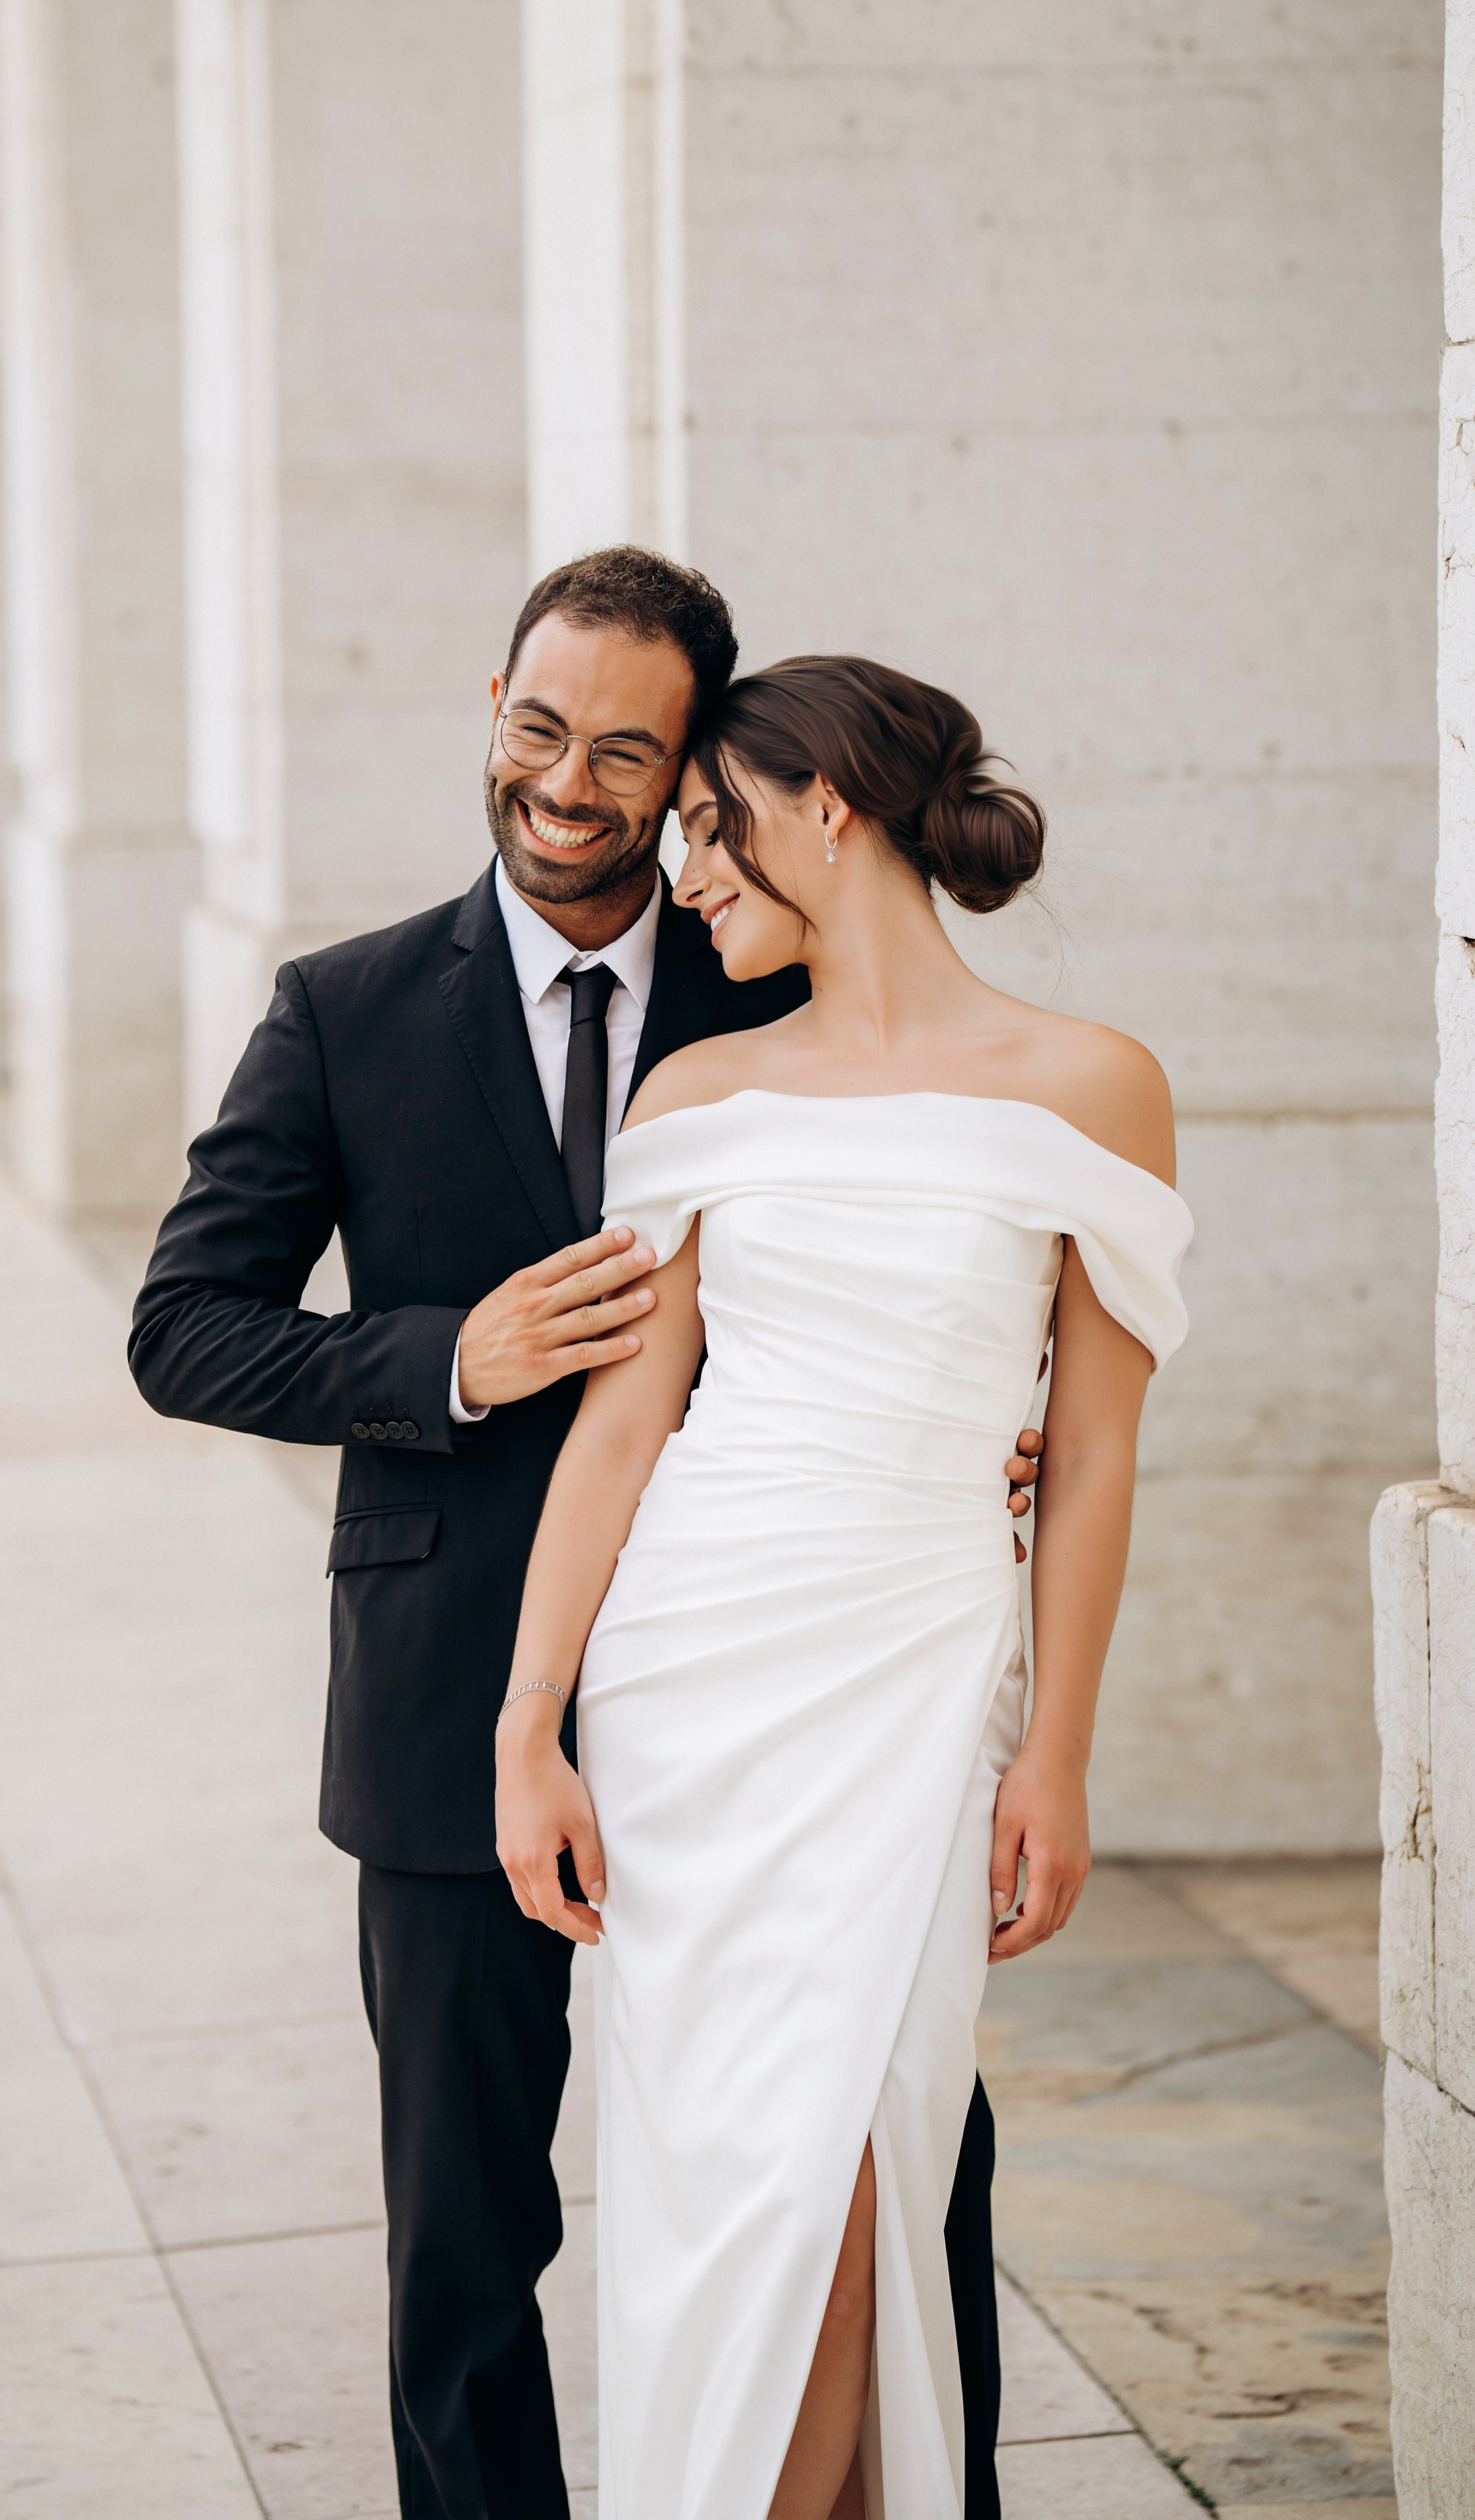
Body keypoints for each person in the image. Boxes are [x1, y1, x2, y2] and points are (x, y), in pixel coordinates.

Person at [128, 559, 1048, 2519]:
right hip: (466, 1676)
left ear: (691, 778)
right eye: (536, 729)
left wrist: (992, 1426)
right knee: (463, 2242)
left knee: (879, 2160)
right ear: (489, 704)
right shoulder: (347, 1006)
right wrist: (440, 1355)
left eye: (625, 753)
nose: (566, 780)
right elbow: (179, 1329)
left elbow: (951, 1218)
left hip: (793, 1698)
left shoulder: (775, 970)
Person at [494, 654, 1192, 2520]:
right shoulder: (700, 1095)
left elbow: (1100, 1452)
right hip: (688, 1686)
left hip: (915, 1677)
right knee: (723, 2187)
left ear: (828, 809)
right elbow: (622, 1438)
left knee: (852, 2162)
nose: (683, 876)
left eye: (708, 832)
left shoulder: (1093, 1086)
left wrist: (1055, 1755)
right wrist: (527, 1725)